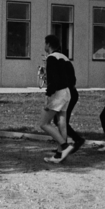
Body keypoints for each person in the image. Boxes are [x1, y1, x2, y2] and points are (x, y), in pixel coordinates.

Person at [39, 34, 75, 163]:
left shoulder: (51, 58)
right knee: (61, 124)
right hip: (67, 92)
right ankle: (59, 155)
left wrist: (48, 95)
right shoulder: (64, 57)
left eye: (45, 43)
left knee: (44, 123)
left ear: (48, 44)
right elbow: (72, 79)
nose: (44, 46)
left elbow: (53, 80)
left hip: (57, 93)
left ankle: (65, 147)